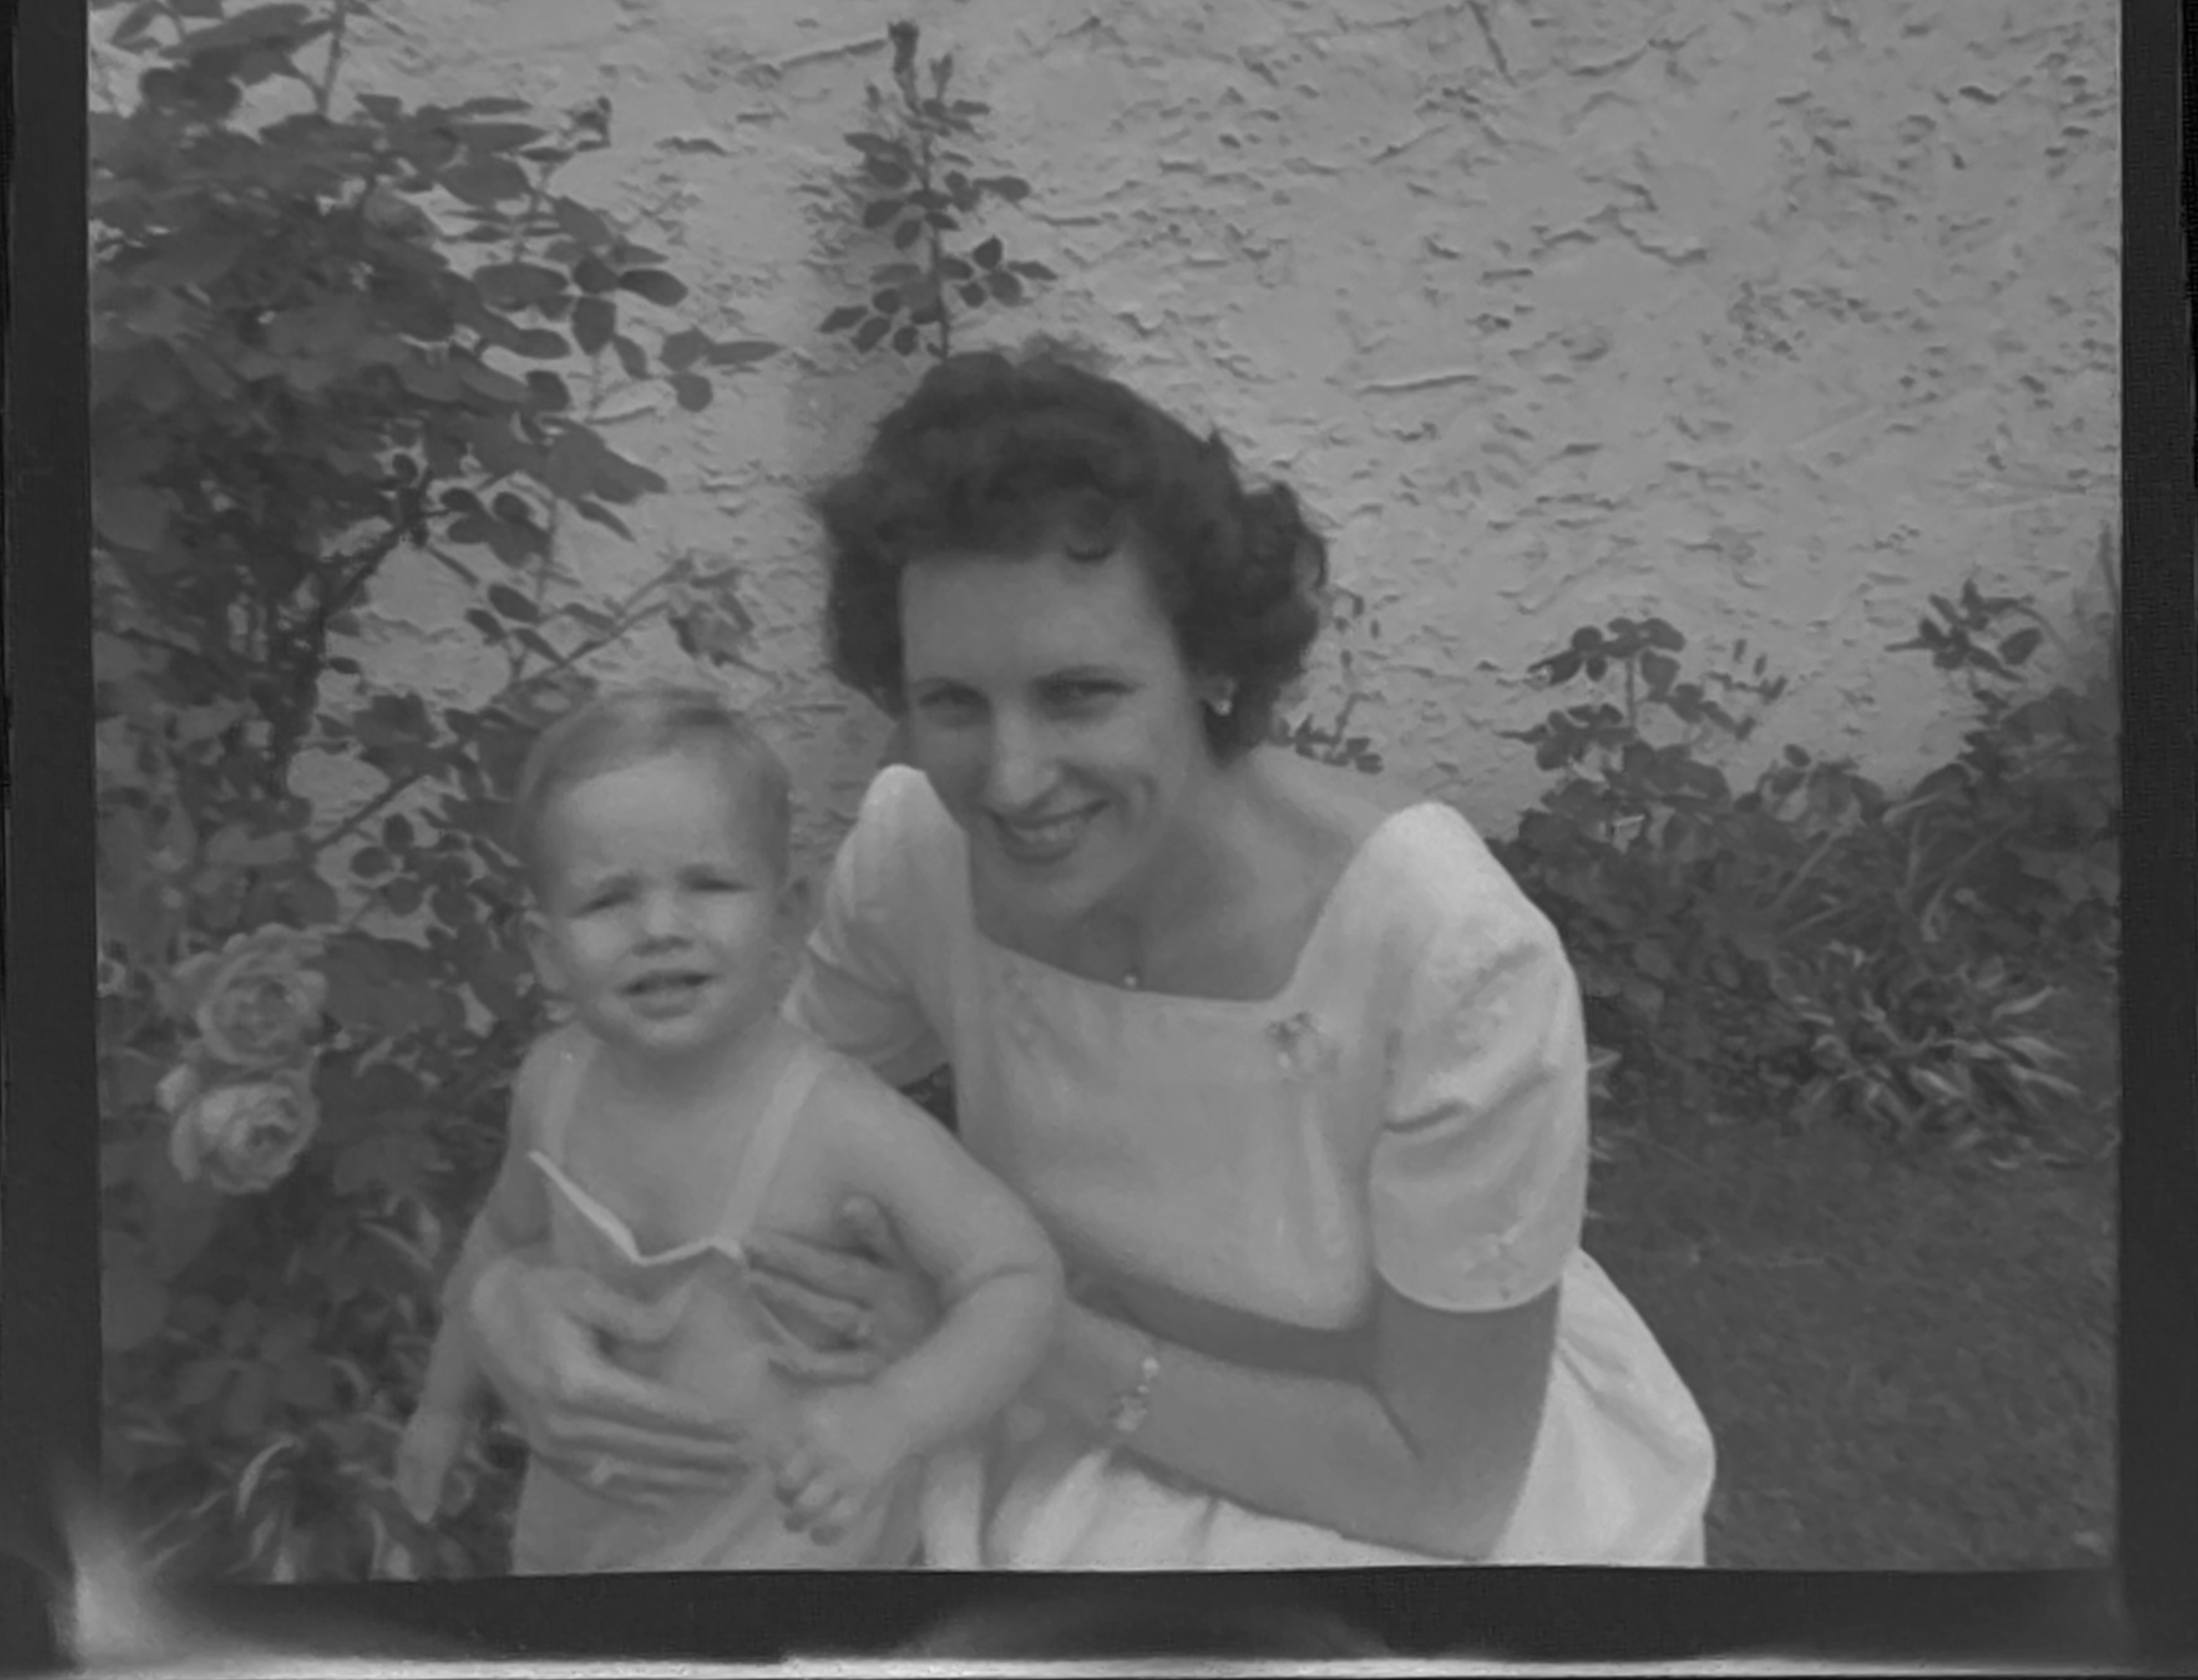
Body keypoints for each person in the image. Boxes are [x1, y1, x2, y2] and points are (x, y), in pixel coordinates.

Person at [464, 348, 1716, 1566]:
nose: (1009, 781)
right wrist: (510, 1294)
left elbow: (1446, 1488)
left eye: (1077, 695)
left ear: (1214, 664)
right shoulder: (916, 854)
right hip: (1046, 1440)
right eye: (954, 702)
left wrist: (1016, 1340)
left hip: (1374, 1494)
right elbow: (726, 1118)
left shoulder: (1449, 959)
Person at [393, 686, 1062, 1571]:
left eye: (707, 885)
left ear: (786, 917)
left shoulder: (839, 1123)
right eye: (607, 901)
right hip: (589, 1548)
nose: (660, 929)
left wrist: (892, 1415)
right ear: (547, 950)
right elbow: (499, 1240)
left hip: (792, 1571)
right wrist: (443, 1408)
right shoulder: (552, 1085)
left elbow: (1017, 1276)